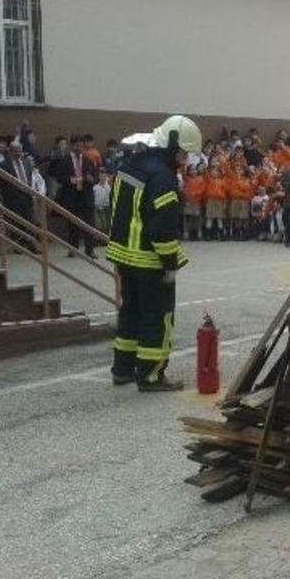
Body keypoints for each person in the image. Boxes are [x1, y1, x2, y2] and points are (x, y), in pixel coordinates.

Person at [107, 115, 199, 392]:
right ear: (171, 145)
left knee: (130, 312)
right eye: (183, 153)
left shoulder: (131, 164)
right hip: (149, 260)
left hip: (123, 255)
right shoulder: (163, 178)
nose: (184, 160)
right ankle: (150, 375)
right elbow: (162, 229)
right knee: (157, 317)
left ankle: (122, 369)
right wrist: (171, 264)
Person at [60, 135, 99, 257]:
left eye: (81, 145)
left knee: (89, 224)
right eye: (77, 145)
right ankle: (73, 249)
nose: (79, 148)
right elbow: (59, 177)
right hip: (72, 196)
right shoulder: (65, 160)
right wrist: (69, 180)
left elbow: (96, 177)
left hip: (86, 196)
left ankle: (90, 250)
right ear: (72, 146)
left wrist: (92, 179)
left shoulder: (88, 160)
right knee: (72, 224)